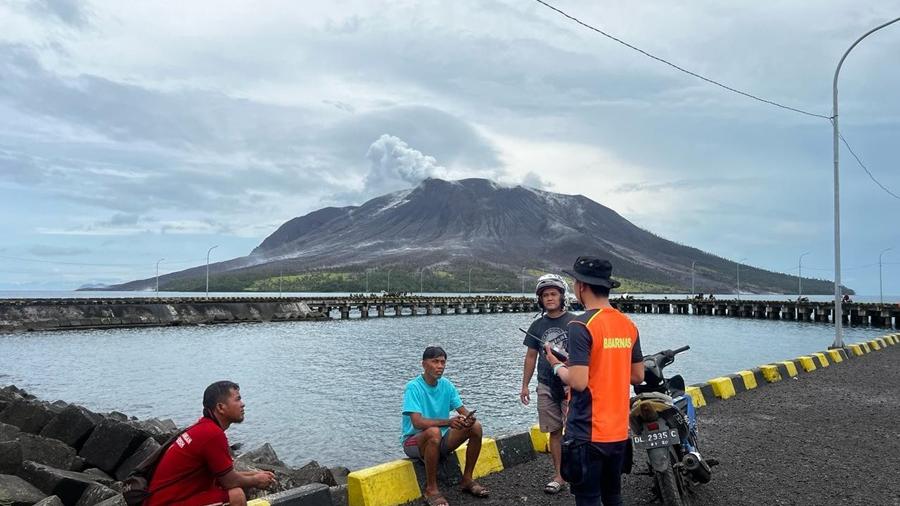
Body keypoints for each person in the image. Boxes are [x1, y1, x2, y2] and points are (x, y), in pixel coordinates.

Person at [545, 257, 644, 506]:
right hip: (619, 433)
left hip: (587, 433)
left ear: (581, 286)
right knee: (613, 498)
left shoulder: (581, 325)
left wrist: (556, 365)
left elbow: (578, 382)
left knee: (588, 499)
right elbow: (637, 376)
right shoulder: (627, 325)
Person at [147, 381, 276, 506]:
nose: (243, 404)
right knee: (236, 495)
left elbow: (225, 475)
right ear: (220, 407)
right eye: (237, 400)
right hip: (167, 503)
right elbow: (230, 481)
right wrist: (256, 480)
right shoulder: (212, 434)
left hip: (164, 499)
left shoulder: (202, 427)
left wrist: (256, 474)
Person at [401, 346, 489, 506]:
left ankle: (467, 479)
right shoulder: (413, 387)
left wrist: (468, 419)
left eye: (443, 362)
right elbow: (417, 422)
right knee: (434, 432)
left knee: (476, 427)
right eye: (435, 362)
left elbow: (462, 410)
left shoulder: (446, 385)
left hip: (439, 439)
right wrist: (449, 422)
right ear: (424, 364)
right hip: (414, 441)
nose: (440, 366)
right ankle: (431, 489)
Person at [519, 274, 575, 494]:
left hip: (571, 384)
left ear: (562, 296)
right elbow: (530, 357)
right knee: (554, 431)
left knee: (575, 430)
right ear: (540, 300)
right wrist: (524, 385)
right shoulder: (537, 325)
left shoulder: (575, 321)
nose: (549, 298)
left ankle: (579, 472)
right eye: (545, 295)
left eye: (553, 294)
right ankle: (559, 475)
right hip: (545, 384)